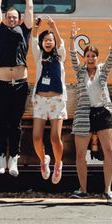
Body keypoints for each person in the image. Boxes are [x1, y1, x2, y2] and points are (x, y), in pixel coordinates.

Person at [70, 20, 112, 203]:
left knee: (109, 150)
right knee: (80, 154)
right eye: (88, 55)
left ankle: (108, 190)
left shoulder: (102, 71)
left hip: (103, 112)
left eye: (93, 55)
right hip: (84, 114)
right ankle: (83, 189)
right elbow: (72, 55)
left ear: (97, 57)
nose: (90, 58)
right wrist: (72, 38)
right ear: (85, 57)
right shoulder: (79, 71)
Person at [0, 0, 35, 176]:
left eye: (14, 17)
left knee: (16, 123)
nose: (11, 18)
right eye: (8, 16)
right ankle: (1, 157)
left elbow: (30, 9)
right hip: (1, 83)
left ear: (19, 19)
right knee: (2, 122)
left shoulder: (24, 30)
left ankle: (14, 157)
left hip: (19, 84)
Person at [31, 17, 67, 183]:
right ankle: (43, 161)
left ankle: (58, 164)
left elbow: (61, 45)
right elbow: (32, 40)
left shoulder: (60, 56)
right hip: (40, 100)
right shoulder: (38, 56)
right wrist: (36, 27)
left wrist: (54, 27)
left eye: (50, 40)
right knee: (37, 137)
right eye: (45, 40)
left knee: (55, 138)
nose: (48, 42)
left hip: (57, 101)